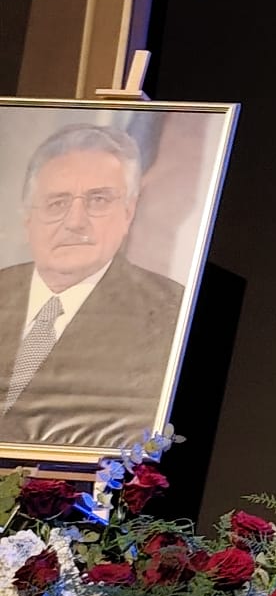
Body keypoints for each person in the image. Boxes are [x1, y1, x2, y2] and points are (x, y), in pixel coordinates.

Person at [0, 124, 185, 448]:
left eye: (98, 200)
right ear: (28, 217)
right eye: (57, 203)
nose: (75, 222)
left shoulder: (171, 315)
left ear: (128, 212)